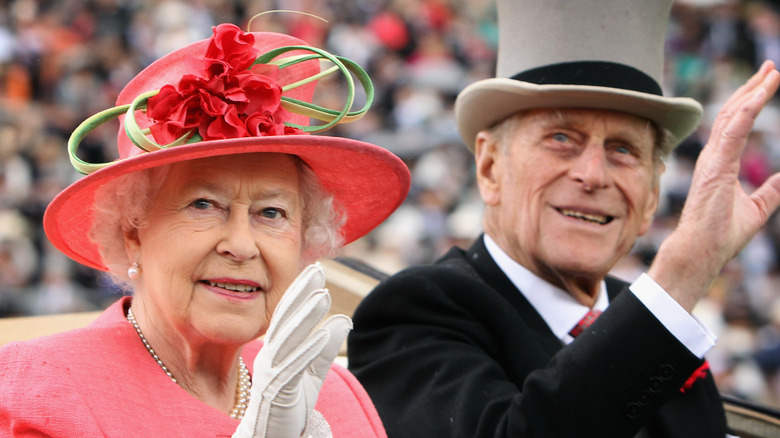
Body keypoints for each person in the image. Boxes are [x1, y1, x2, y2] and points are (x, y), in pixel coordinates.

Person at [347, 0, 780, 437]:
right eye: (560, 138)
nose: (592, 175)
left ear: (651, 197)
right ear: (490, 167)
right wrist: (684, 272)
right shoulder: (414, 312)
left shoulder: (653, 320)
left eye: (623, 150)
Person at [0, 19, 410, 437]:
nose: (241, 245)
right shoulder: (43, 387)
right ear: (133, 232)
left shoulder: (333, 394)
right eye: (204, 205)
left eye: (271, 213)